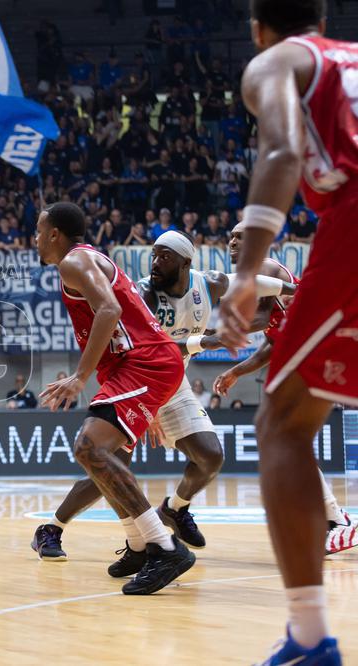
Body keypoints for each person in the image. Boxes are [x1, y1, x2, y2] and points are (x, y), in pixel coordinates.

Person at [217, 2, 357, 661]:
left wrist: (246, 273)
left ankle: (308, 638)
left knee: (281, 423)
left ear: (258, 28)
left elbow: (281, 147)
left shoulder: (279, 60)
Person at [34, 230, 294, 567]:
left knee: (210, 457)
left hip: (174, 379)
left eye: (164, 257)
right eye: (153, 255)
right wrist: (204, 344)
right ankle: (53, 529)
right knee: (110, 467)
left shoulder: (207, 284)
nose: (155, 263)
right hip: (142, 376)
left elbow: (249, 282)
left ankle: (174, 509)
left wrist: (293, 289)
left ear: (185, 263)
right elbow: (156, 349)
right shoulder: (144, 293)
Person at [32, 202, 193, 595]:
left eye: (39, 231)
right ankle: (138, 546)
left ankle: (165, 546)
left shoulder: (74, 260)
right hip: (134, 368)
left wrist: (78, 377)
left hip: (145, 363)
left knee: (88, 447)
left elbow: (110, 309)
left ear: (55, 234)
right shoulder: (85, 262)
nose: (34, 239)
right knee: (112, 459)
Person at [215, 223, 356, 559]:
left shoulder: (263, 266)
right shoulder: (261, 282)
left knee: (282, 434)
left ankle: (336, 520)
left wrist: (213, 324)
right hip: (316, 349)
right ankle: (334, 518)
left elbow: (261, 317)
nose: (233, 241)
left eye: (241, 236)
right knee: (282, 435)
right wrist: (236, 370)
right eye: (231, 237)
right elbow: (271, 342)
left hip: (329, 343)